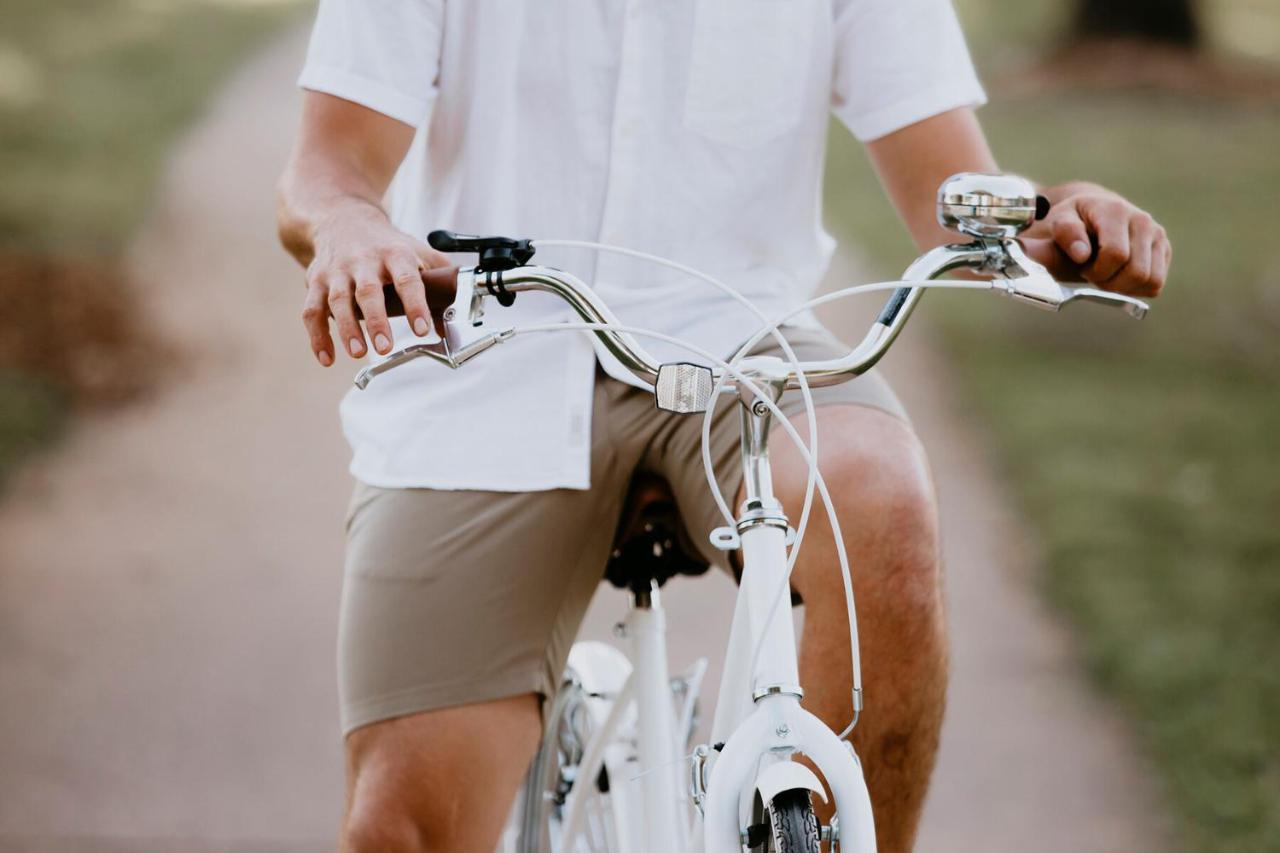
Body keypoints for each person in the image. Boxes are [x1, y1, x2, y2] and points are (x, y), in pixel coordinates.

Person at [276, 2, 1170, 850]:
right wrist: (350, 222)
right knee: (397, 830)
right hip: (491, 352)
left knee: (885, 498)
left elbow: (949, 186)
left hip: (740, 338)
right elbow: (325, 168)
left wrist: (1054, 222)